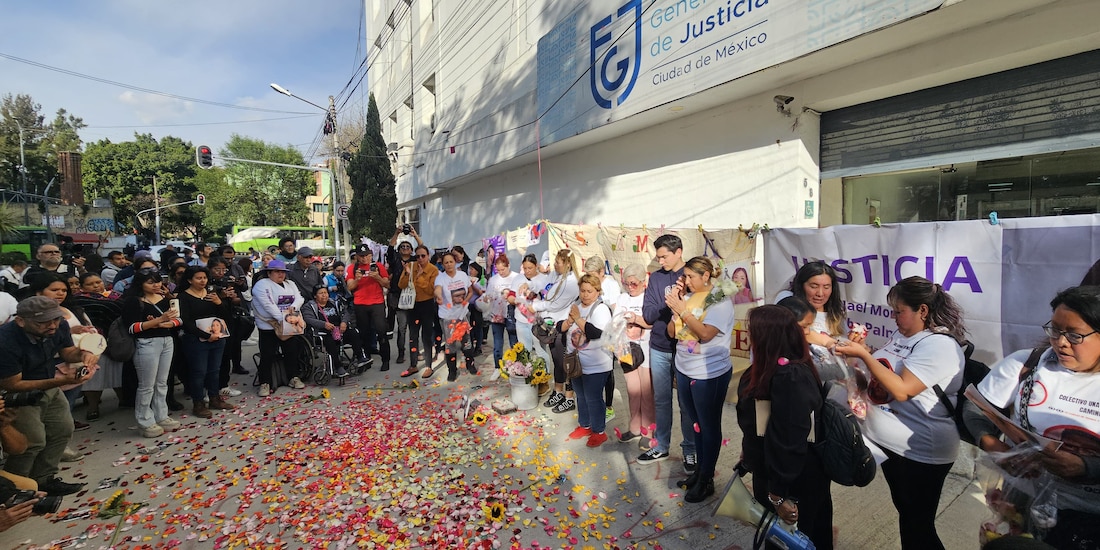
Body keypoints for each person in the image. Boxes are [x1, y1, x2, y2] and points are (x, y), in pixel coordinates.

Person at [834, 276, 967, 550]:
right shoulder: (902, 335)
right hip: (891, 447)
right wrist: (855, 367)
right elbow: (881, 378)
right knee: (908, 517)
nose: (894, 318)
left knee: (918, 525)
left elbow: (904, 389)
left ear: (923, 311)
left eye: (899, 312)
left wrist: (865, 355)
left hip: (920, 452)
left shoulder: (938, 345)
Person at [964, 286, 1100, 548]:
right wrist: (992, 445)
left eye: (1074, 335)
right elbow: (974, 409)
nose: (1061, 342)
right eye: (1055, 330)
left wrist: (1086, 467)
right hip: (1023, 507)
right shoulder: (1027, 364)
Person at [735, 305, 832, 548]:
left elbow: (789, 440)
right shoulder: (770, 367)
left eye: (753, 331)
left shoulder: (789, 377)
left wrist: (778, 495)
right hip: (773, 471)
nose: (749, 336)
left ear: (768, 337)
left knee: (791, 542)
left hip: (792, 481)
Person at [0, 296, 94, 496]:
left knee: (62, 429)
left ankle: (44, 479)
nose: (52, 326)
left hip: (48, 384)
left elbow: (67, 352)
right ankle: (16, 489)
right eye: (43, 322)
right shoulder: (5, 340)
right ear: (21, 321)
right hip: (19, 393)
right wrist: (61, 381)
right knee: (32, 441)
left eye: (56, 319)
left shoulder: (58, 326)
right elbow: (12, 383)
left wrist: (83, 354)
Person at [663, 256, 736, 502]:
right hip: (685, 367)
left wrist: (682, 309)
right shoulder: (689, 297)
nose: (686, 281)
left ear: (706, 276)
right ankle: (699, 473)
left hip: (708, 373)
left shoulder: (719, 300)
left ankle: (706, 479)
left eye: (691, 276)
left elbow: (705, 334)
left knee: (708, 425)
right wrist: (676, 310)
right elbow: (672, 333)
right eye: (685, 276)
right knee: (695, 424)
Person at [639, 234, 695, 471]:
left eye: (665, 256)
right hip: (660, 346)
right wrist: (670, 302)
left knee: (686, 403)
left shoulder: (692, 275)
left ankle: (690, 449)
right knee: (662, 400)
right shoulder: (656, 279)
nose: (660, 261)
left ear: (679, 251)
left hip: (687, 348)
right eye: (658, 256)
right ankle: (661, 445)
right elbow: (649, 314)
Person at [121, 269, 182, 437]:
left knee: (162, 383)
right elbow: (132, 327)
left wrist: (167, 324)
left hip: (166, 340)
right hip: (146, 343)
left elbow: (178, 319)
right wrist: (158, 321)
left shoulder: (164, 298)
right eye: (150, 282)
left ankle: (161, 415)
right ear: (140, 284)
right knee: (146, 385)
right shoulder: (134, 301)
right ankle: (145, 420)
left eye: (157, 281)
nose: (156, 285)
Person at [561, 274, 614, 447]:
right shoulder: (576, 306)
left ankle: (599, 431)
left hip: (597, 364)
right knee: (581, 396)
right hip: (576, 363)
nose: (585, 295)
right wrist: (569, 321)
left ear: (598, 292)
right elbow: (563, 328)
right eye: (582, 290)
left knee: (593, 397)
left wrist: (577, 319)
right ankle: (585, 425)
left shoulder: (601, 309)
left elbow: (596, 334)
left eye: (589, 291)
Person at [177, 266, 236, 418]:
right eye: (198, 278)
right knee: (198, 372)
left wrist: (219, 303)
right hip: (196, 339)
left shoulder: (211, 294)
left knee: (214, 370)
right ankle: (198, 403)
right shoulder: (183, 297)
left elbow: (225, 316)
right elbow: (186, 321)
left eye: (204, 278)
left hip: (217, 337)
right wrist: (204, 335)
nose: (202, 281)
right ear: (190, 280)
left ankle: (214, 398)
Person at [777, 261, 865, 349]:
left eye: (826, 287)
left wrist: (854, 344)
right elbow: (789, 330)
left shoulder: (836, 315)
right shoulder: (786, 299)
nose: (820, 293)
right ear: (801, 285)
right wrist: (828, 342)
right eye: (814, 286)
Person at [534, 249, 581, 413]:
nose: (554, 265)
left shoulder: (572, 282)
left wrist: (533, 306)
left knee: (565, 364)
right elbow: (545, 291)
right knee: (557, 361)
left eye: (558, 262)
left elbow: (555, 304)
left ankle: (569, 397)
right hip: (552, 325)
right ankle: (558, 391)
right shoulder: (558, 276)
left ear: (567, 264)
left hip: (563, 327)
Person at [251, 260, 307, 396]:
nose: (280, 274)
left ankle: (293, 377)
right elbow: (268, 305)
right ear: (269, 273)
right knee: (267, 354)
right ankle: (265, 382)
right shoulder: (262, 285)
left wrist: (292, 310)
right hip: (269, 325)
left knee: (291, 351)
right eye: (277, 271)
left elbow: (299, 298)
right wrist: (284, 318)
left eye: (282, 272)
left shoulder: (290, 284)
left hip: (289, 323)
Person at [614, 263, 655, 445]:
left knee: (646, 393)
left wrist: (640, 327)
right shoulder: (622, 298)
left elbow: (654, 323)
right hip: (626, 349)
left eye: (634, 284)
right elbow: (614, 323)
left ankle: (648, 433)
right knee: (633, 391)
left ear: (643, 282)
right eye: (627, 283)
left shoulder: (649, 298)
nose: (630, 287)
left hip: (645, 349)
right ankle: (635, 428)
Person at [584, 255, 621, 422]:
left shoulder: (611, 285)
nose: (589, 276)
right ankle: (596, 404)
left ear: (601, 271)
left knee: (608, 370)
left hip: (607, 333)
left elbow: (614, 309)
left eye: (592, 273)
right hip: (591, 334)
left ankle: (608, 406)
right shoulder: (587, 283)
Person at [433, 251, 481, 381]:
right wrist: (438, 296)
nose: (449, 265)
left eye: (451, 262)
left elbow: (470, 291)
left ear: (455, 262)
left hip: (463, 314)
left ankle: (470, 365)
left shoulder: (462, 275)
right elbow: (437, 289)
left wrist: (466, 300)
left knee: (466, 341)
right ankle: (452, 371)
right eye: (446, 263)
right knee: (451, 344)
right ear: (442, 265)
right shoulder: (440, 278)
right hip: (448, 316)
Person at [303, 285, 365, 378]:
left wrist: (344, 322)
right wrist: (323, 324)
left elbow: (346, 313)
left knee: (353, 333)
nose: (324, 295)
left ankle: (360, 358)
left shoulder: (333, 302)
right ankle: (338, 367)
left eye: (325, 293)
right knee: (330, 341)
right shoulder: (309, 306)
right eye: (321, 293)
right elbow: (308, 319)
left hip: (338, 331)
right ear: (315, 296)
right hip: (323, 333)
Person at [511, 253, 553, 391]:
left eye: (530, 268)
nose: (527, 271)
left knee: (540, 350)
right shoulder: (518, 278)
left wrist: (530, 289)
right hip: (521, 320)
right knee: (524, 351)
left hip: (537, 322)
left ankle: (544, 379)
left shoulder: (544, 279)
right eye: (525, 268)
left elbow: (546, 296)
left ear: (536, 266)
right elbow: (511, 295)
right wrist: (511, 298)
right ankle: (528, 377)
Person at [347, 245, 391, 371]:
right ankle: (365, 359)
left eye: (367, 255)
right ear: (357, 257)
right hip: (360, 304)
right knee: (364, 333)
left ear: (371, 255)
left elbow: (387, 284)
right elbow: (349, 287)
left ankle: (385, 359)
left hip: (377, 302)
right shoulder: (352, 268)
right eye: (361, 256)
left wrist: (377, 277)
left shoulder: (378, 266)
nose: (364, 258)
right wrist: (357, 279)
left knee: (381, 331)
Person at [398, 245, 440, 378]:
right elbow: (401, 285)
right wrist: (406, 273)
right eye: (418, 256)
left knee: (426, 336)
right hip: (413, 305)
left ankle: (428, 365)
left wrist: (420, 277)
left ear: (428, 256)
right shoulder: (410, 266)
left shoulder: (433, 270)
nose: (420, 259)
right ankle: (413, 364)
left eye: (423, 256)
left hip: (427, 304)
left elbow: (431, 290)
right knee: (413, 336)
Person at [208, 257, 247, 395]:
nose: (220, 272)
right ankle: (209, 389)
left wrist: (233, 297)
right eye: (217, 269)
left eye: (223, 269)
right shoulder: (206, 282)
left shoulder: (226, 281)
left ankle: (224, 385)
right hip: (210, 321)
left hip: (227, 319)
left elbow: (235, 299)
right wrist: (221, 295)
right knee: (211, 359)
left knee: (226, 354)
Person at [388, 226, 421, 364]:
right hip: (398, 297)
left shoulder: (416, 260)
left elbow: (423, 249)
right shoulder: (395, 260)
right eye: (403, 246)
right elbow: (390, 248)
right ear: (399, 249)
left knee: (414, 327)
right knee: (402, 327)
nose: (406, 247)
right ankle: (401, 353)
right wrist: (396, 233)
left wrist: (414, 235)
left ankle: (415, 350)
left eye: (408, 246)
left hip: (414, 297)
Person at [486, 254, 520, 371]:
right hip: (497, 314)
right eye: (498, 270)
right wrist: (487, 298)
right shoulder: (493, 279)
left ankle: (517, 365)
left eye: (503, 269)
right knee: (497, 343)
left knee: (514, 341)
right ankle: (498, 367)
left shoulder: (516, 277)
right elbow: (488, 295)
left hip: (512, 314)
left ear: (508, 266)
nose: (501, 272)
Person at [467, 262, 487, 353]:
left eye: (472, 269)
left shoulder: (482, 280)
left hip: (477, 306)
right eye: (469, 269)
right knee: (469, 327)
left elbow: (481, 292)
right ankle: (470, 345)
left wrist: (472, 285)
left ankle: (478, 347)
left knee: (478, 326)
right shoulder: (467, 279)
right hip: (468, 305)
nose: (470, 271)